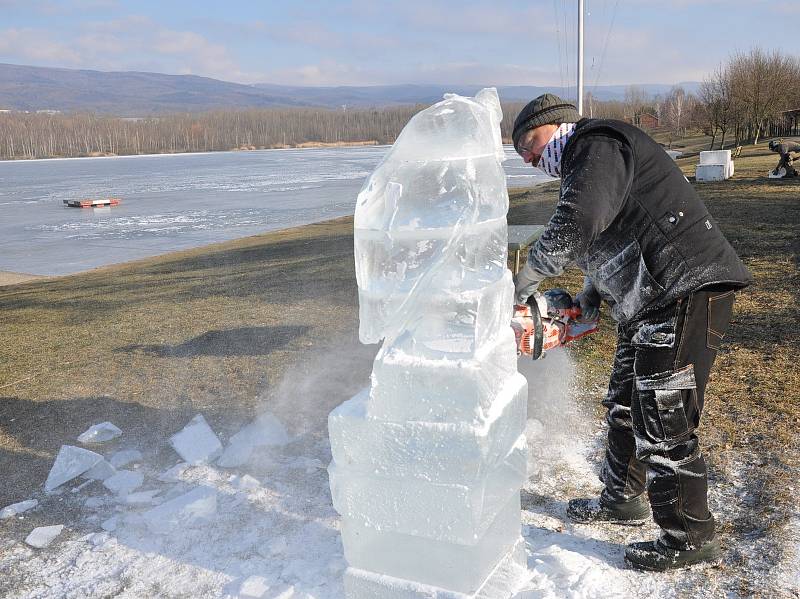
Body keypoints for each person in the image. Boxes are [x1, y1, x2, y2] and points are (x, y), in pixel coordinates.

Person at [511, 94, 753, 571]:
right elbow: (606, 236)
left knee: (664, 420)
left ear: (557, 126)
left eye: (531, 143)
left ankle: (690, 535)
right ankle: (622, 497)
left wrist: (525, 279)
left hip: (684, 292)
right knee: (625, 403)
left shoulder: (598, 144)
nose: (529, 159)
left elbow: (579, 222)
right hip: (648, 304)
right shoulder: (587, 163)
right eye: (520, 154)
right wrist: (590, 295)